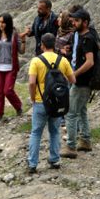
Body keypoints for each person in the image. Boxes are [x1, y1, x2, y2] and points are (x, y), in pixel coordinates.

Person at [28, 33, 75, 173]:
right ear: (54, 44)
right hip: (56, 102)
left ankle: (32, 163)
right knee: (54, 131)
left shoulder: (36, 61)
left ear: (42, 45)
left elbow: (31, 83)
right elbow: (73, 80)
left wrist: (32, 97)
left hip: (40, 101)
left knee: (36, 132)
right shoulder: (63, 60)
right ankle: (55, 160)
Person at [61, 8, 95, 158]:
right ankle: (85, 141)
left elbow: (89, 62)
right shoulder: (80, 35)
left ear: (85, 22)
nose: (73, 23)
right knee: (81, 111)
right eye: (73, 20)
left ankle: (71, 147)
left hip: (82, 81)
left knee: (71, 113)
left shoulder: (88, 38)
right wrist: (69, 52)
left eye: (77, 21)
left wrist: (74, 74)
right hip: (82, 81)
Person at [0, 13, 25, 122]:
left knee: (8, 91)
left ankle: (18, 107)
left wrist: (23, 40)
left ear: (8, 23)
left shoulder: (14, 34)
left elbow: (21, 51)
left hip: (10, 67)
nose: (1, 24)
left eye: (3, 22)